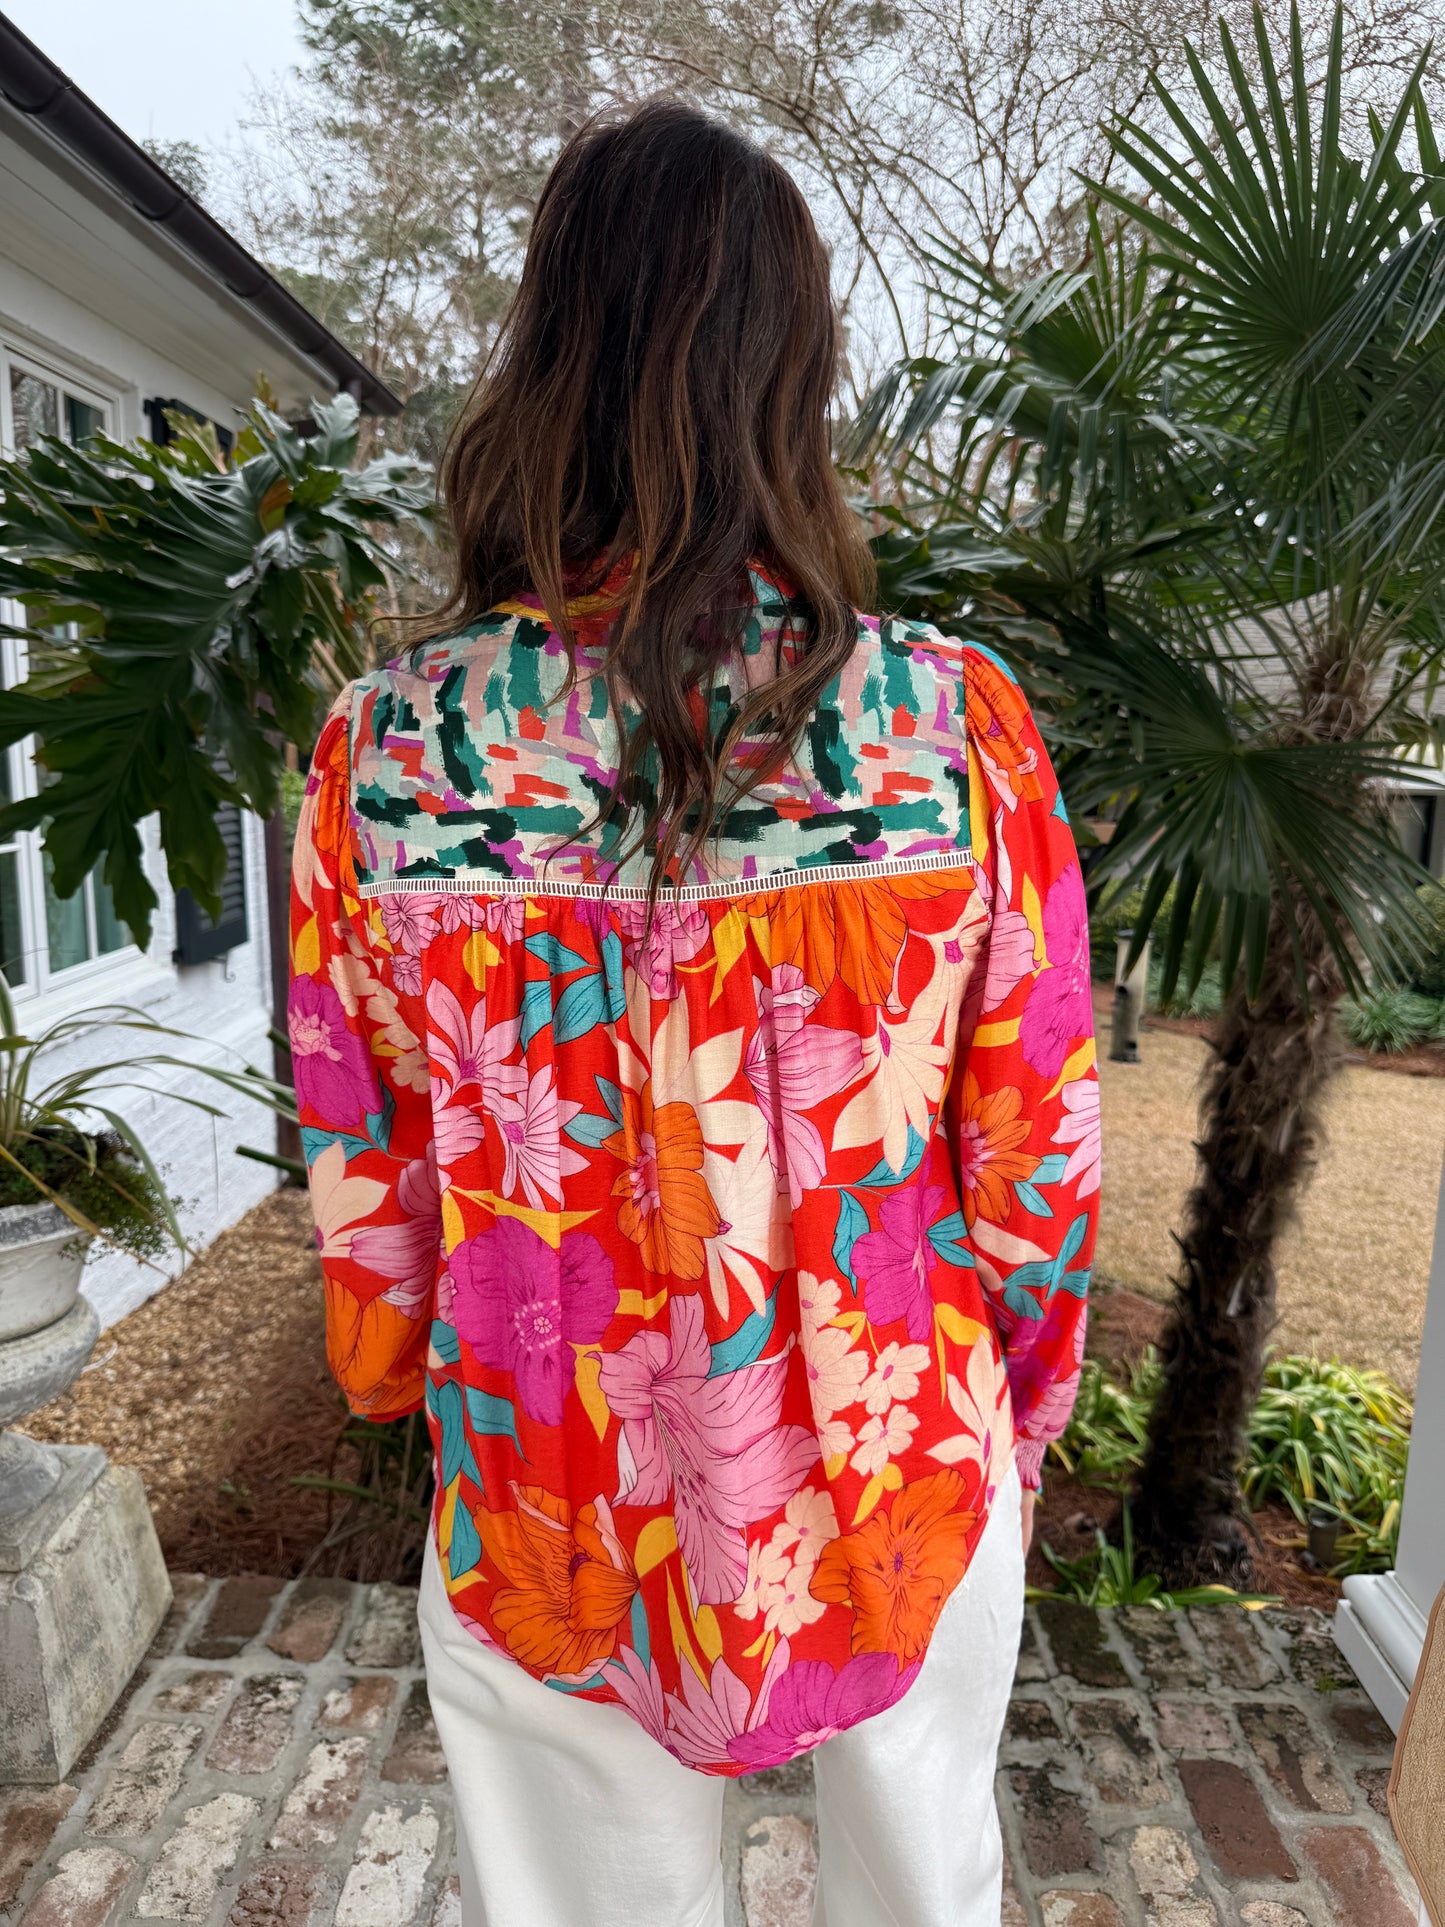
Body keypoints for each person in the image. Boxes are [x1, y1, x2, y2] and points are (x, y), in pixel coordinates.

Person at [290, 97, 1096, 1927]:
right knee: (920, 1897)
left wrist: (403, 1366)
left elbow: (367, 1153)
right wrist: (1023, 1393)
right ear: (791, 372)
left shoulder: (387, 748)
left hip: (544, 1462)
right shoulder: (946, 734)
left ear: (544, 355)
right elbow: (1031, 1145)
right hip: (898, 1470)